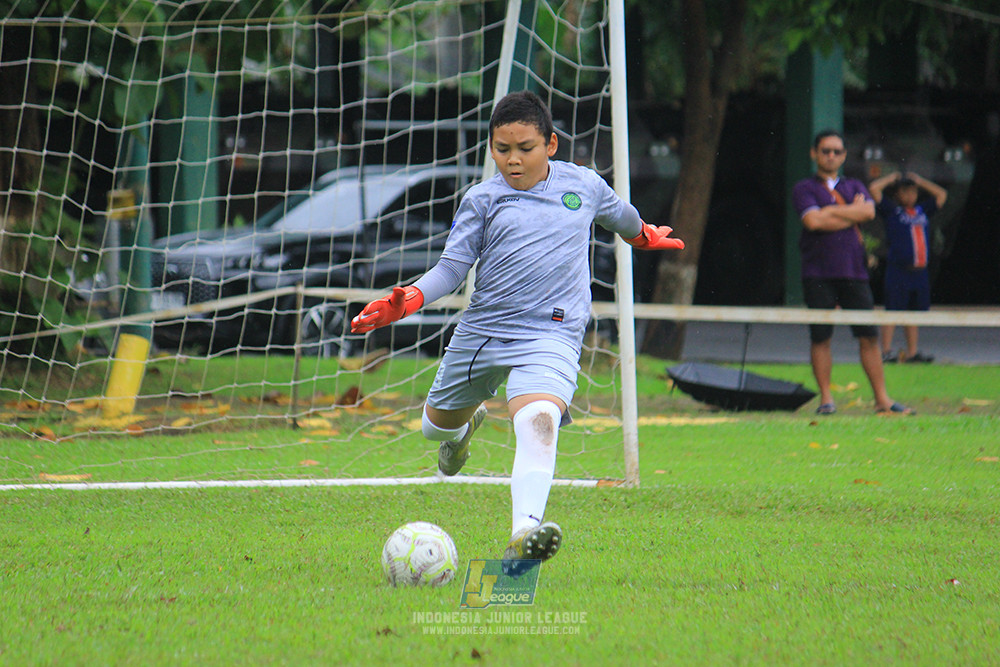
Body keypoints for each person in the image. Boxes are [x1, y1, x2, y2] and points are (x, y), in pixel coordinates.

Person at [350, 91, 684, 572]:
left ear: (550, 144)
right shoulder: (482, 199)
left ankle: (523, 534)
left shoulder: (583, 186)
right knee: (433, 429)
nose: (513, 160)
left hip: (551, 334)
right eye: (502, 149)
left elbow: (622, 217)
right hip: (483, 332)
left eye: (525, 148)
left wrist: (645, 235)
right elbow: (451, 270)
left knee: (539, 419)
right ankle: (461, 434)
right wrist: (406, 300)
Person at [791, 129, 913, 416]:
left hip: (853, 271)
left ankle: (882, 400)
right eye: (825, 151)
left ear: (844, 156)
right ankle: (826, 399)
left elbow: (868, 213)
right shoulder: (804, 188)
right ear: (814, 153)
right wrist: (849, 214)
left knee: (869, 336)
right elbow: (812, 222)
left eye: (836, 151)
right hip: (817, 271)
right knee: (821, 336)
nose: (831, 156)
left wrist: (829, 212)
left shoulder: (855, 185)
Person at [868, 171, 947, 364]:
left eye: (913, 192)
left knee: (914, 313)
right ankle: (886, 351)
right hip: (899, 270)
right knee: (893, 310)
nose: (910, 196)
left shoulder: (922, 211)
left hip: (918, 270)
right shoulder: (892, 211)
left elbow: (941, 195)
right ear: (897, 195)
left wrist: (921, 181)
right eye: (905, 192)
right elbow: (874, 190)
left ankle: (912, 352)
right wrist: (891, 178)